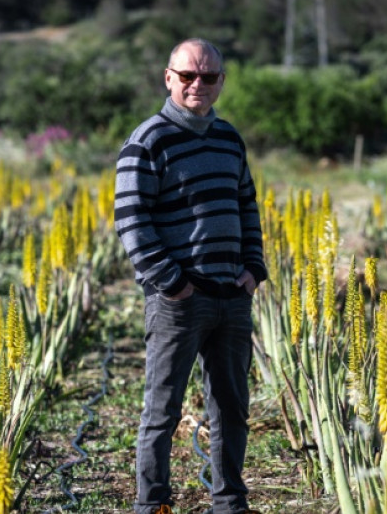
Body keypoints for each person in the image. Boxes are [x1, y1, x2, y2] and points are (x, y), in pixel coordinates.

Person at [115, 38, 267, 514]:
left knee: (232, 411)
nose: (197, 84)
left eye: (209, 76)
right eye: (187, 76)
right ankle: (153, 505)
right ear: (168, 78)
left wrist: (253, 268)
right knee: (162, 413)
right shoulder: (148, 141)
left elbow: (247, 206)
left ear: (221, 81)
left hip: (231, 296)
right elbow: (131, 220)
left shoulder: (228, 138)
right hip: (179, 301)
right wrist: (173, 282)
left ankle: (229, 503)